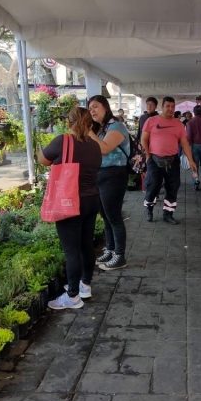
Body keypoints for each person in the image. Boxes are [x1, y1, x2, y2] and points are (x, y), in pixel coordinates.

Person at [39, 106, 101, 310]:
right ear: (90, 125)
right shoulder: (95, 146)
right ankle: (85, 286)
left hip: (70, 202)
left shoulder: (62, 141)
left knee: (71, 251)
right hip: (92, 200)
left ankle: (72, 296)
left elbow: (43, 160)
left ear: (69, 122)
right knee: (86, 245)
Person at [87, 95, 129, 271]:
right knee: (105, 215)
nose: (92, 111)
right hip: (100, 174)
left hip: (114, 174)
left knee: (113, 216)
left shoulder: (116, 126)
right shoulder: (100, 128)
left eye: (96, 106)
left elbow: (105, 148)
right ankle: (110, 249)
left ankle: (119, 256)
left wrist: (88, 132)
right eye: (90, 109)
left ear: (105, 107)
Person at [141, 97, 197, 224]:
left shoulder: (179, 124)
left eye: (173, 106)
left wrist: (191, 160)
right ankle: (149, 209)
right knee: (153, 185)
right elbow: (143, 139)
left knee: (173, 187)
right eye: (167, 106)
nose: (170, 109)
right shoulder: (151, 121)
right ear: (162, 107)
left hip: (173, 161)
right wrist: (148, 156)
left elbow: (184, 143)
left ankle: (168, 214)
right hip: (154, 160)